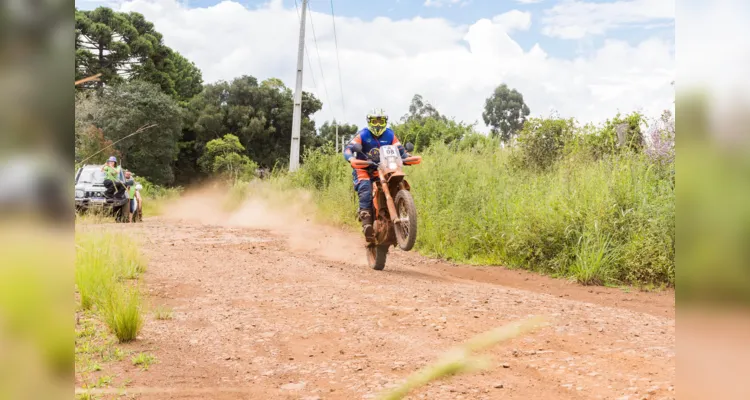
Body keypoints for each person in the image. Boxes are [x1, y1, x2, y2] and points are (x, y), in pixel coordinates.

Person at [343, 108, 408, 241]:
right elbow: (349, 148)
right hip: (364, 168)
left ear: (385, 122)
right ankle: (366, 220)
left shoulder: (390, 134)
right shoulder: (363, 134)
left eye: (381, 121)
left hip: (384, 168)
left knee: (398, 180)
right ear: (369, 121)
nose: (378, 124)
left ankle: (404, 212)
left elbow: (400, 149)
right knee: (365, 187)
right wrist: (351, 158)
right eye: (375, 121)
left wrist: (406, 156)